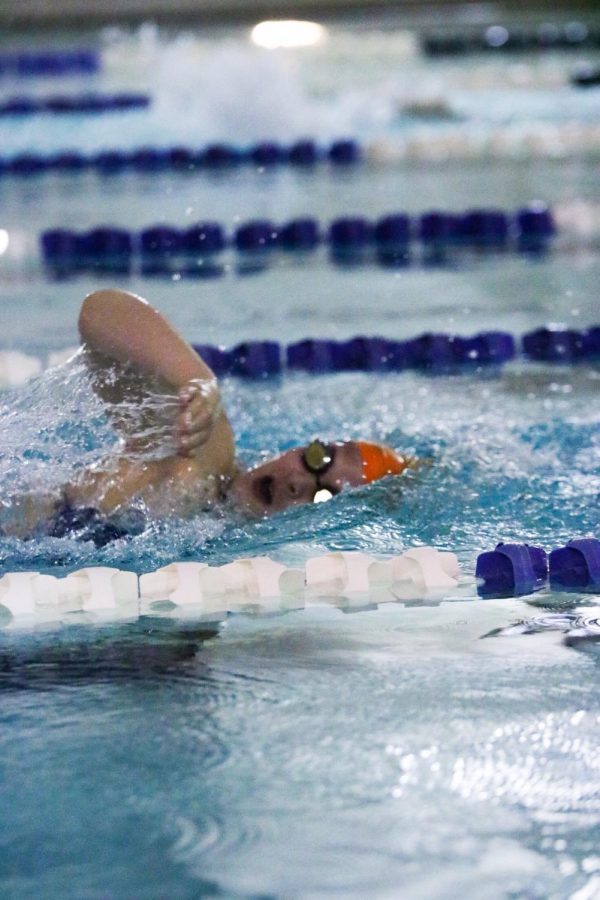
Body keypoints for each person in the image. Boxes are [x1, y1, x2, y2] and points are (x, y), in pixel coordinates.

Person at [3, 289, 415, 541]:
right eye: (317, 459)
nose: (296, 481)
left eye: (324, 495)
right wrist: (197, 381)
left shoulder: (220, 538)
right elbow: (98, 311)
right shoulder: (204, 454)